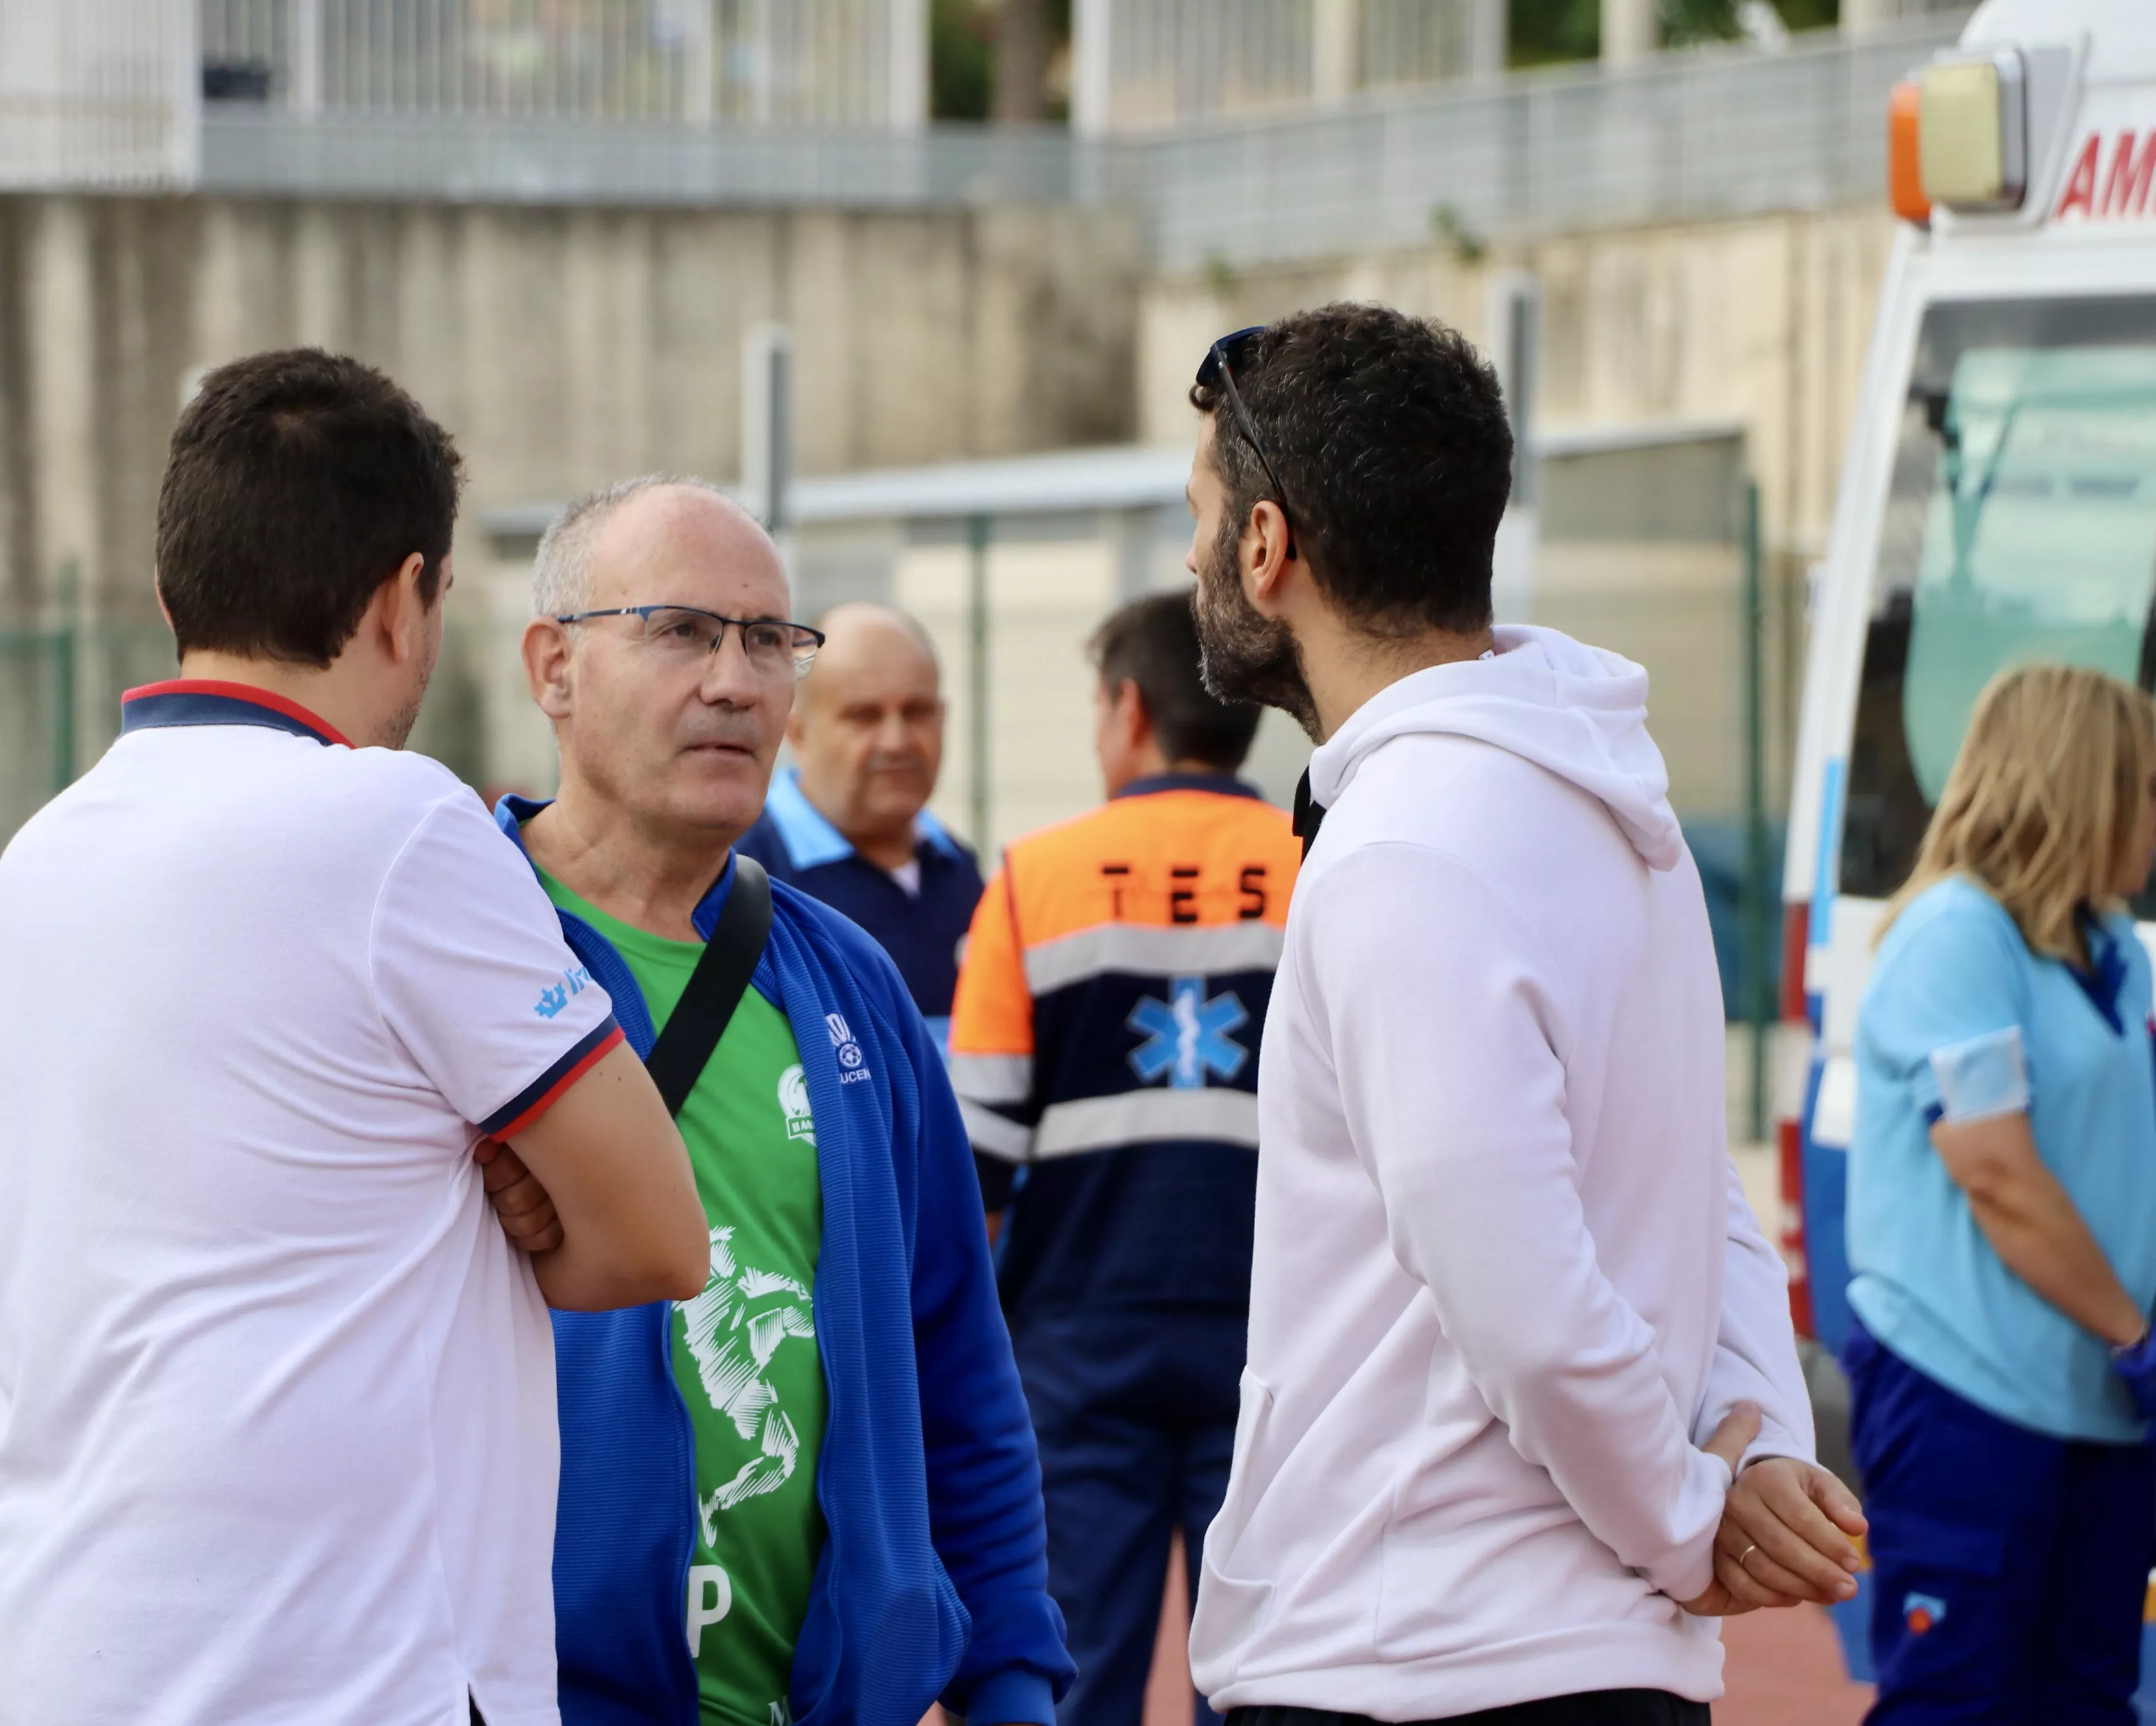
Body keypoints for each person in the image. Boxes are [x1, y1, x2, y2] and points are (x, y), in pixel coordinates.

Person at [0, 350, 707, 1726]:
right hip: (345, 1662)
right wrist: (511, 1195)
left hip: (56, 1637)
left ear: (171, 591)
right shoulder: (395, 822)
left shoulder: (44, 851)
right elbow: (659, 1233)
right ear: (405, 598)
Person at [1177, 305, 1864, 1726]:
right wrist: (1753, 1446)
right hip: (1568, 1657)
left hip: (1414, 1663)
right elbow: (1697, 1185)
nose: (1190, 560)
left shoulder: (1402, 850)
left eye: (1199, 518)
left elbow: (1526, 1301)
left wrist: (1691, 1518)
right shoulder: (1611, 806)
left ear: (1266, 544)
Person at [501, 474, 1072, 1726]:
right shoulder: (449, 950)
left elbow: (958, 1370)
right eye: (680, 630)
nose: (735, 680)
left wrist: (1012, 1684)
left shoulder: (842, 981)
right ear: (553, 667)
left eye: (768, 639)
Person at [950, 587, 1302, 1726]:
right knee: (1263, 1675)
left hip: (1073, 1347)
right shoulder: (1320, 866)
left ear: (1125, 709)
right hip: (1279, 1343)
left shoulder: (1033, 880)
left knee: (1069, 1668)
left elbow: (977, 1161)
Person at [1844, 663, 2156, 1723]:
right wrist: (2133, 1335)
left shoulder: (2111, 951)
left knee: (2084, 1697)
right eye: (2145, 786)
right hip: (1965, 1399)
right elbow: (1997, 1174)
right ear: (2083, 788)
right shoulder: (1954, 937)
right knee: (1955, 1702)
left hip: (2098, 1408)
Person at [738, 602, 981, 1042]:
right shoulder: (742, 878)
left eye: (917, 711)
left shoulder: (959, 870)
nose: (896, 741)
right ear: (798, 733)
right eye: (864, 716)